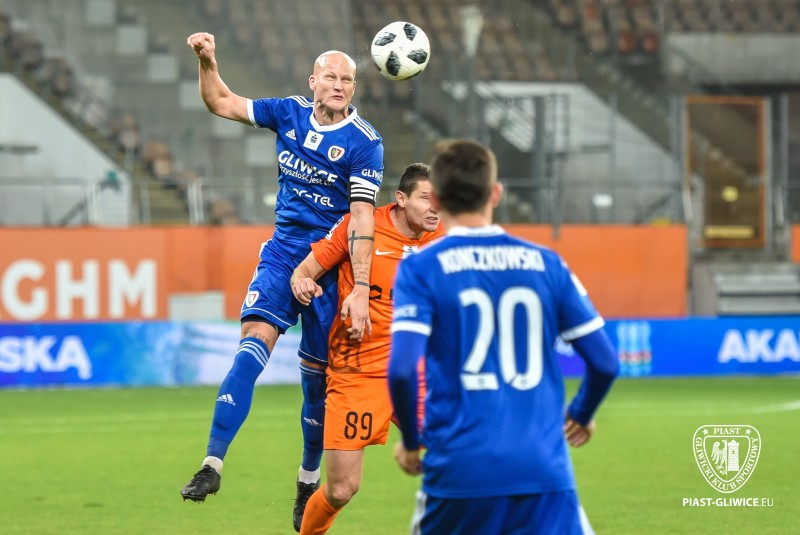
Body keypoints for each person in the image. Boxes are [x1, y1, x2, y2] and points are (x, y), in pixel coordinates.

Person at [179, 33, 384, 532]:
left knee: (316, 385)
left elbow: (362, 219)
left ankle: (307, 481)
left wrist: (359, 286)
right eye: (331, 76)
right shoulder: (287, 112)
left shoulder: (365, 142)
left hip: (329, 267)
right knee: (252, 344)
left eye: (347, 79)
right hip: (282, 254)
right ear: (313, 81)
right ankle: (212, 464)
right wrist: (207, 60)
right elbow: (221, 101)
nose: (339, 85)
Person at [387, 140, 620, 534]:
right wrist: (581, 414)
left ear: (437, 199)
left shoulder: (421, 268)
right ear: (495, 194)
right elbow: (605, 363)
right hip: (542, 471)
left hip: (459, 471)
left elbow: (403, 371)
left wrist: (411, 441)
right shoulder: (547, 263)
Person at [289, 164, 443, 534]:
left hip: (420, 371)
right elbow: (302, 273)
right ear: (401, 199)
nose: (435, 207)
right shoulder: (361, 227)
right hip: (359, 371)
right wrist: (304, 285)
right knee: (342, 488)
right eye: (426, 198)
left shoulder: (448, 238)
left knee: (461, 462)